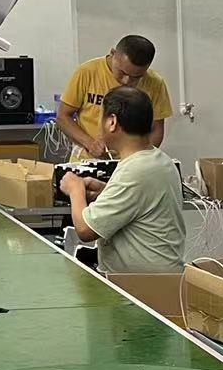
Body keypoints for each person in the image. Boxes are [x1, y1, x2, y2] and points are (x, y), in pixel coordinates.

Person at [60, 87, 187, 273]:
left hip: (144, 284)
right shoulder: (158, 160)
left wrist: (75, 189)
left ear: (112, 122)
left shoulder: (136, 170)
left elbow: (85, 230)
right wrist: (105, 192)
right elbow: (140, 203)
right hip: (160, 277)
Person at [56, 34, 173, 157]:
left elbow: (156, 129)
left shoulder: (155, 83)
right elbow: (63, 117)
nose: (126, 81)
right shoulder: (86, 72)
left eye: (136, 77)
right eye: (122, 72)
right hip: (87, 159)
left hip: (131, 161)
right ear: (113, 53)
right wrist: (90, 144)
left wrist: (141, 157)